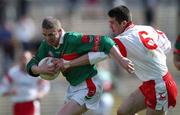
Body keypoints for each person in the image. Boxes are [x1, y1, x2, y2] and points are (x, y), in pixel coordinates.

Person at [26, 16, 134, 115]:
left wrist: (121, 59)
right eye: (44, 35)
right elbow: (31, 65)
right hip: (73, 88)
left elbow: (105, 41)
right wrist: (40, 69)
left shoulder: (73, 39)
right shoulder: (46, 45)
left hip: (89, 85)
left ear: (59, 31)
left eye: (51, 34)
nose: (48, 38)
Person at [104, 5, 178, 115]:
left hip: (161, 86)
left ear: (124, 23)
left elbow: (99, 54)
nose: (110, 26)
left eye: (113, 23)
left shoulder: (124, 39)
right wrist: (152, 55)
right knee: (123, 112)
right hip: (151, 83)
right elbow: (166, 45)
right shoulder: (146, 28)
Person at [0, 51, 50, 115]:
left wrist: (40, 94)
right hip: (18, 103)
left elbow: (45, 85)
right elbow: (3, 86)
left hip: (31, 102)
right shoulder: (13, 72)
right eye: (23, 58)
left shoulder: (36, 71)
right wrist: (9, 92)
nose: (24, 61)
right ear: (19, 60)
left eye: (27, 59)